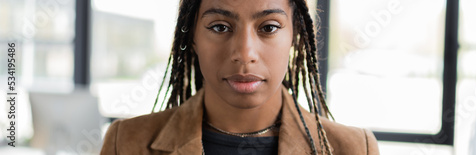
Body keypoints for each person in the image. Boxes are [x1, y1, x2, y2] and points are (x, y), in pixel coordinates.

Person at [100, 0, 380, 154]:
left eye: (269, 27)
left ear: (294, 35)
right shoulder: (126, 143)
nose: (245, 53)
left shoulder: (354, 148)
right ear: (193, 36)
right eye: (220, 27)